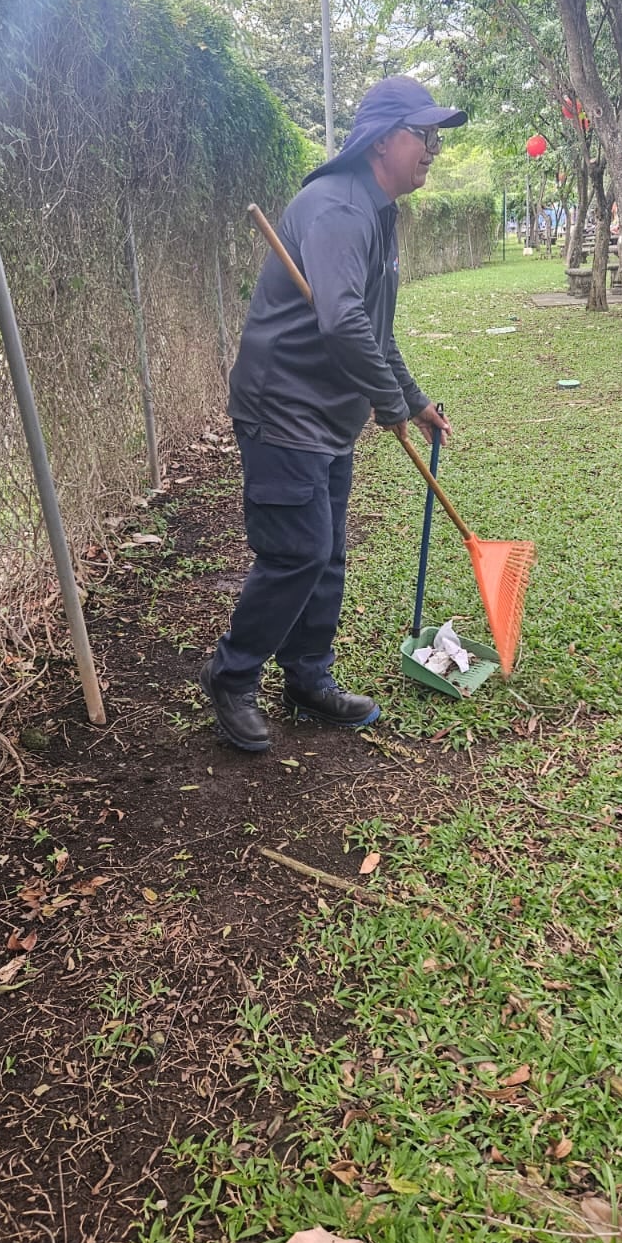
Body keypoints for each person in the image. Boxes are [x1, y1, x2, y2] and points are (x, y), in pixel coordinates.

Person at [199, 76, 460, 752]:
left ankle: (307, 678)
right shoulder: (339, 209)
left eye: (436, 137)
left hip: (327, 415)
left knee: (328, 555)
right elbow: (344, 326)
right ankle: (232, 675)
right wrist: (385, 398)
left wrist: (410, 398)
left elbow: (373, 328)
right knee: (298, 553)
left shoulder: (376, 210)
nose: (433, 149)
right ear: (382, 143)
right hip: (283, 411)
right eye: (423, 135)